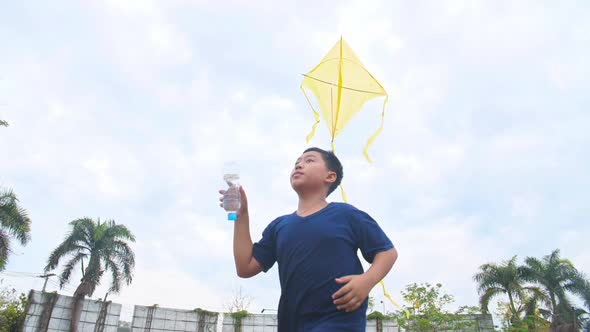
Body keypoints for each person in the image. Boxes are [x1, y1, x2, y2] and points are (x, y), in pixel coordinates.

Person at [218, 147, 398, 331]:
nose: (299, 165)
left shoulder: (346, 214)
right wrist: (242, 214)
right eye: (297, 162)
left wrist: (366, 281)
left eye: (309, 160)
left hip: (339, 321)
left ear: (330, 177)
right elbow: (245, 267)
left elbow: (387, 252)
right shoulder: (279, 226)